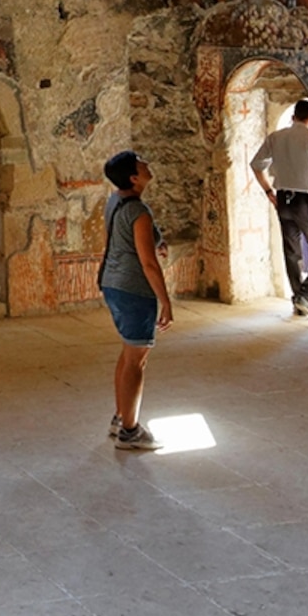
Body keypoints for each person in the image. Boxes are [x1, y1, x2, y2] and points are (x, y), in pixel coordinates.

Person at [98, 149, 175, 452]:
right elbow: (148, 263)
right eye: (141, 165)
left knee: (129, 353)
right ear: (133, 178)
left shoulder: (115, 201)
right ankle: (130, 432)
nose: (147, 165)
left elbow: (127, 236)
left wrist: (158, 240)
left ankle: (121, 416)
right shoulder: (139, 212)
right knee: (136, 360)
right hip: (133, 289)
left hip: (112, 282)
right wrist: (165, 301)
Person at [249, 98, 308, 315]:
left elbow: (256, 165)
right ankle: (306, 296)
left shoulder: (276, 137)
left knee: (292, 251)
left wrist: (268, 191)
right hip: (307, 199)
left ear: (293, 116)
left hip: (283, 198)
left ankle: (298, 300)